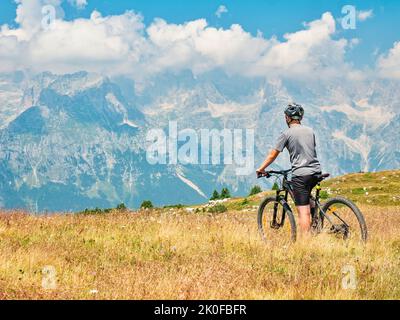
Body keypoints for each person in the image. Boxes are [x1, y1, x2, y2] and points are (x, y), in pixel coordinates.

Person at [256, 103, 322, 235]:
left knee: (303, 212)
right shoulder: (310, 131)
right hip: (316, 171)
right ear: (300, 118)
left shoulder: (286, 134)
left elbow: (272, 155)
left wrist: (261, 169)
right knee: (309, 201)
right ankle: (316, 227)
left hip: (301, 174)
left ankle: (306, 243)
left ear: (287, 118)